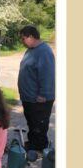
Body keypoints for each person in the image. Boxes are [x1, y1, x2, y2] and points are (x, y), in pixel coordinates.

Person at [17, 25, 55, 156]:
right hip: (29, 97)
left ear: (31, 37)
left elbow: (47, 75)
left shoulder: (44, 52)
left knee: (39, 125)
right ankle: (33, 143)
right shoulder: (32, 50)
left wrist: (44, 94)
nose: (22, 41)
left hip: (39, 99)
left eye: (23, 38)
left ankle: (39, 148)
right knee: (32, 123)